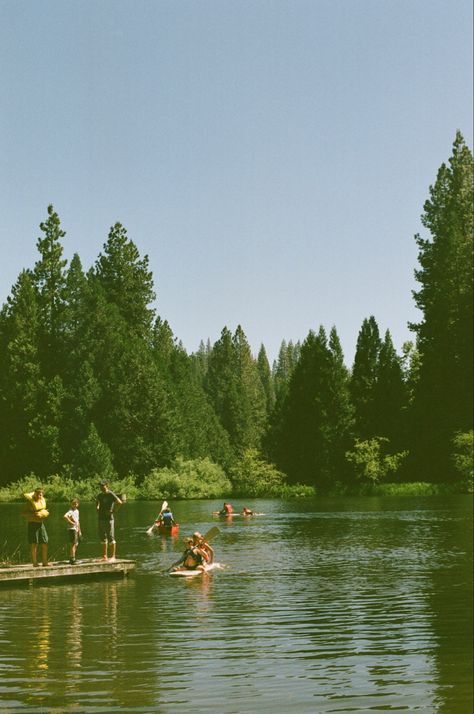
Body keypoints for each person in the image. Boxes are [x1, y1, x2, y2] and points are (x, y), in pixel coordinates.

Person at [23, 487, 51, 567]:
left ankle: (45, 562)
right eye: (38, 495)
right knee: (34, 543)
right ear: (35, 494)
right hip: (32, 524)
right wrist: (34, 514)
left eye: (41, 495)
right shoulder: (29, 503)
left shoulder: (42, 501)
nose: (39, 496)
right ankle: (35, 563)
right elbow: (23, 513)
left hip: (41, 524)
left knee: (45, 542)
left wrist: (44, 513)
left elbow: (45, 510)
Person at [96, 480, 123, 561]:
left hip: (109, 519)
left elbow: (120, 502)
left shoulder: (110, 494)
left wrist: (113, 511)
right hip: (101, 518)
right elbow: (97, 501)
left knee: (111, 537)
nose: (101, 488)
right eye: (100, 486)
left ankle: (113, 556)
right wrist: (97, 507)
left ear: (106, 485)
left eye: (103, 486)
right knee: (103, 537)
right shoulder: (100, 495)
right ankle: (104, 556)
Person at [64, 498, 81, 564]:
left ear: (78, 504)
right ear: (71, 504)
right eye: (73, 504)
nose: (74, 505)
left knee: (76, 544)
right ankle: (72, 559)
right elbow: (65, 516)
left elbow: (78, 521)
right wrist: (71, 522)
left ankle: (72, 557)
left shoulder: (77, 511)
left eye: (76, 504)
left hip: (76, 529)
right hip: (72, 529)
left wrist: (79, 531)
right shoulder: (70, 511)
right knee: (73, 544)